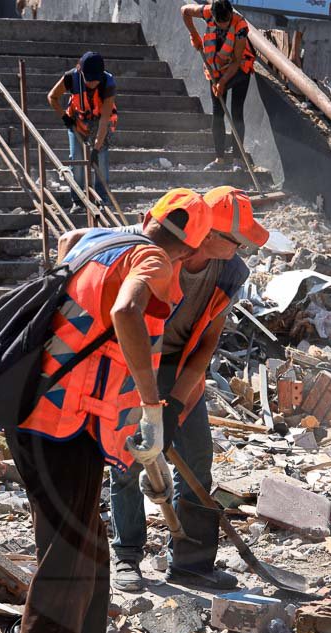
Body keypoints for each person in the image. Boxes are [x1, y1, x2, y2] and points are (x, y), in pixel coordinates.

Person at [0, 189, 212, 633]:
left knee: (88, 555)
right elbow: (126, 314)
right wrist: (150, 402)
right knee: (67, 568)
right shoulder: (155, 261)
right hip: (57, 425)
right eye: (218, 244)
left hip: (52, 420)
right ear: (196, 244)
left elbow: (77, 279)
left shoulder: (95, 240)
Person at [99, 187, 268, 593]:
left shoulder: (230, 273)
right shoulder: (151, 252)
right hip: (130, 363)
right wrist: (146, 402)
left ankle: (192, 564)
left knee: (196, 459)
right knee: (129, 460)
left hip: (178, 368)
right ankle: (127, 557)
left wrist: (173, 406)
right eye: (237, 240)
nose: (242, 249)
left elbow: (207, 341)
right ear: (209, 234)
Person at [182, 0, 255, 171]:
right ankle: (219, 159)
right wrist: (194, 35)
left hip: (239, 69)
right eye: (218, 22)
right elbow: (184, 11)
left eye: (225, 22)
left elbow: (237, 61)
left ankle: (238, 160)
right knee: (217, 113)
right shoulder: (207, 12)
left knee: (236, 112)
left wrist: (222, 82)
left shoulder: (240, 27)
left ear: (230, 15)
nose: (222, 25)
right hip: (215, 68)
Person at [48, 51, 118, 212]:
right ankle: (78, 200)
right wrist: (65, 118)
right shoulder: (70, 78)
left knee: (101, 162)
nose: (92, 83)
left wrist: (96, 148)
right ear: (80, 70)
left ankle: (102, 201)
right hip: (77, 122)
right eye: (89, 79)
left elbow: (104, 120)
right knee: (77, 160)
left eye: (96, 80)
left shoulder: (108, 83)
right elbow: (52, 97)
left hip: (99, 124)